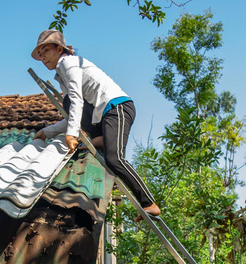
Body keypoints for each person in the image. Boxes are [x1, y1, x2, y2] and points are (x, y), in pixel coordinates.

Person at [31, 29, 161, 219]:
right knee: (68, 103)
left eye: (46, 51)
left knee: (114, 159)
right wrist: (47, 132)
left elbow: (77, 100)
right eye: (40, 55)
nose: (43, 58)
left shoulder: (69, 63)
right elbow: (71, 113)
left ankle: (149, 202)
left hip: (117, 107)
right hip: (103, 113)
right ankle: (99, 137)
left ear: (59, 49)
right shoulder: (61, 74)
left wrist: (71, 134)